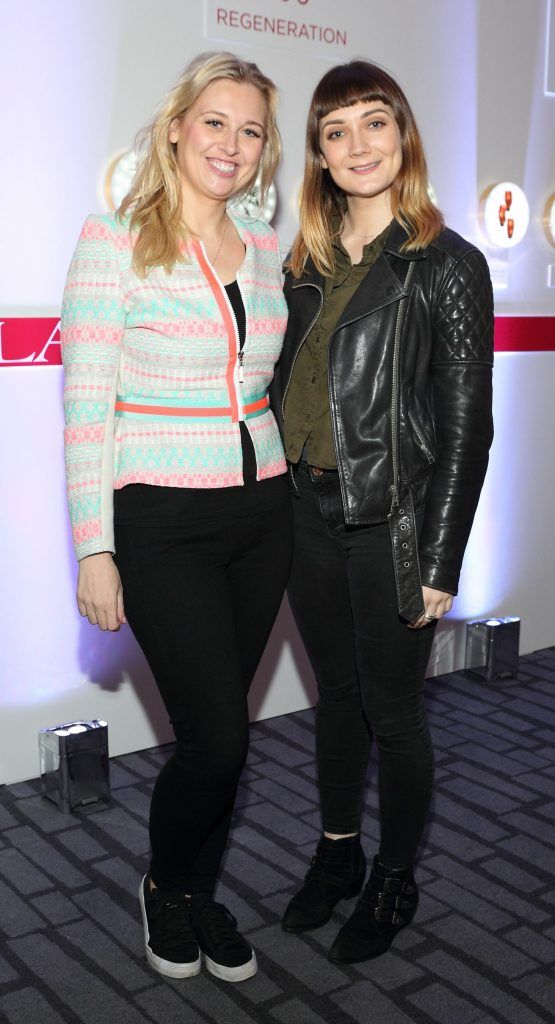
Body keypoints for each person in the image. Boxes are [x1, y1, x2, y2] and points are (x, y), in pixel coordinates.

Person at [61, 52, 292, 985]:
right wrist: (94, 548)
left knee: (219, 728)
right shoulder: (113, 238)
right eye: (214, 122)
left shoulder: (267, 245)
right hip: (156, 519)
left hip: (261, 514)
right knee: (221, 737)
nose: (230, 145)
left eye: (249, 130)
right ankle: (165, 884)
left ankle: (199, 889)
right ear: (174, 127)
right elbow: (86, 406)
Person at [274, 60, 494, 964]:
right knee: (336, 702)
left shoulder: (446, 263)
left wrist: (440, 562)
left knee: (394, 714)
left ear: (402, 136)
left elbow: (466, 427)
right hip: (304, 514)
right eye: (336, 131)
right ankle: (337, 854)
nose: (357, 145)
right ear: (319, 155)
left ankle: (394, 875)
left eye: (375, 124)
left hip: (395, 525)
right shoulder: (304, 263)